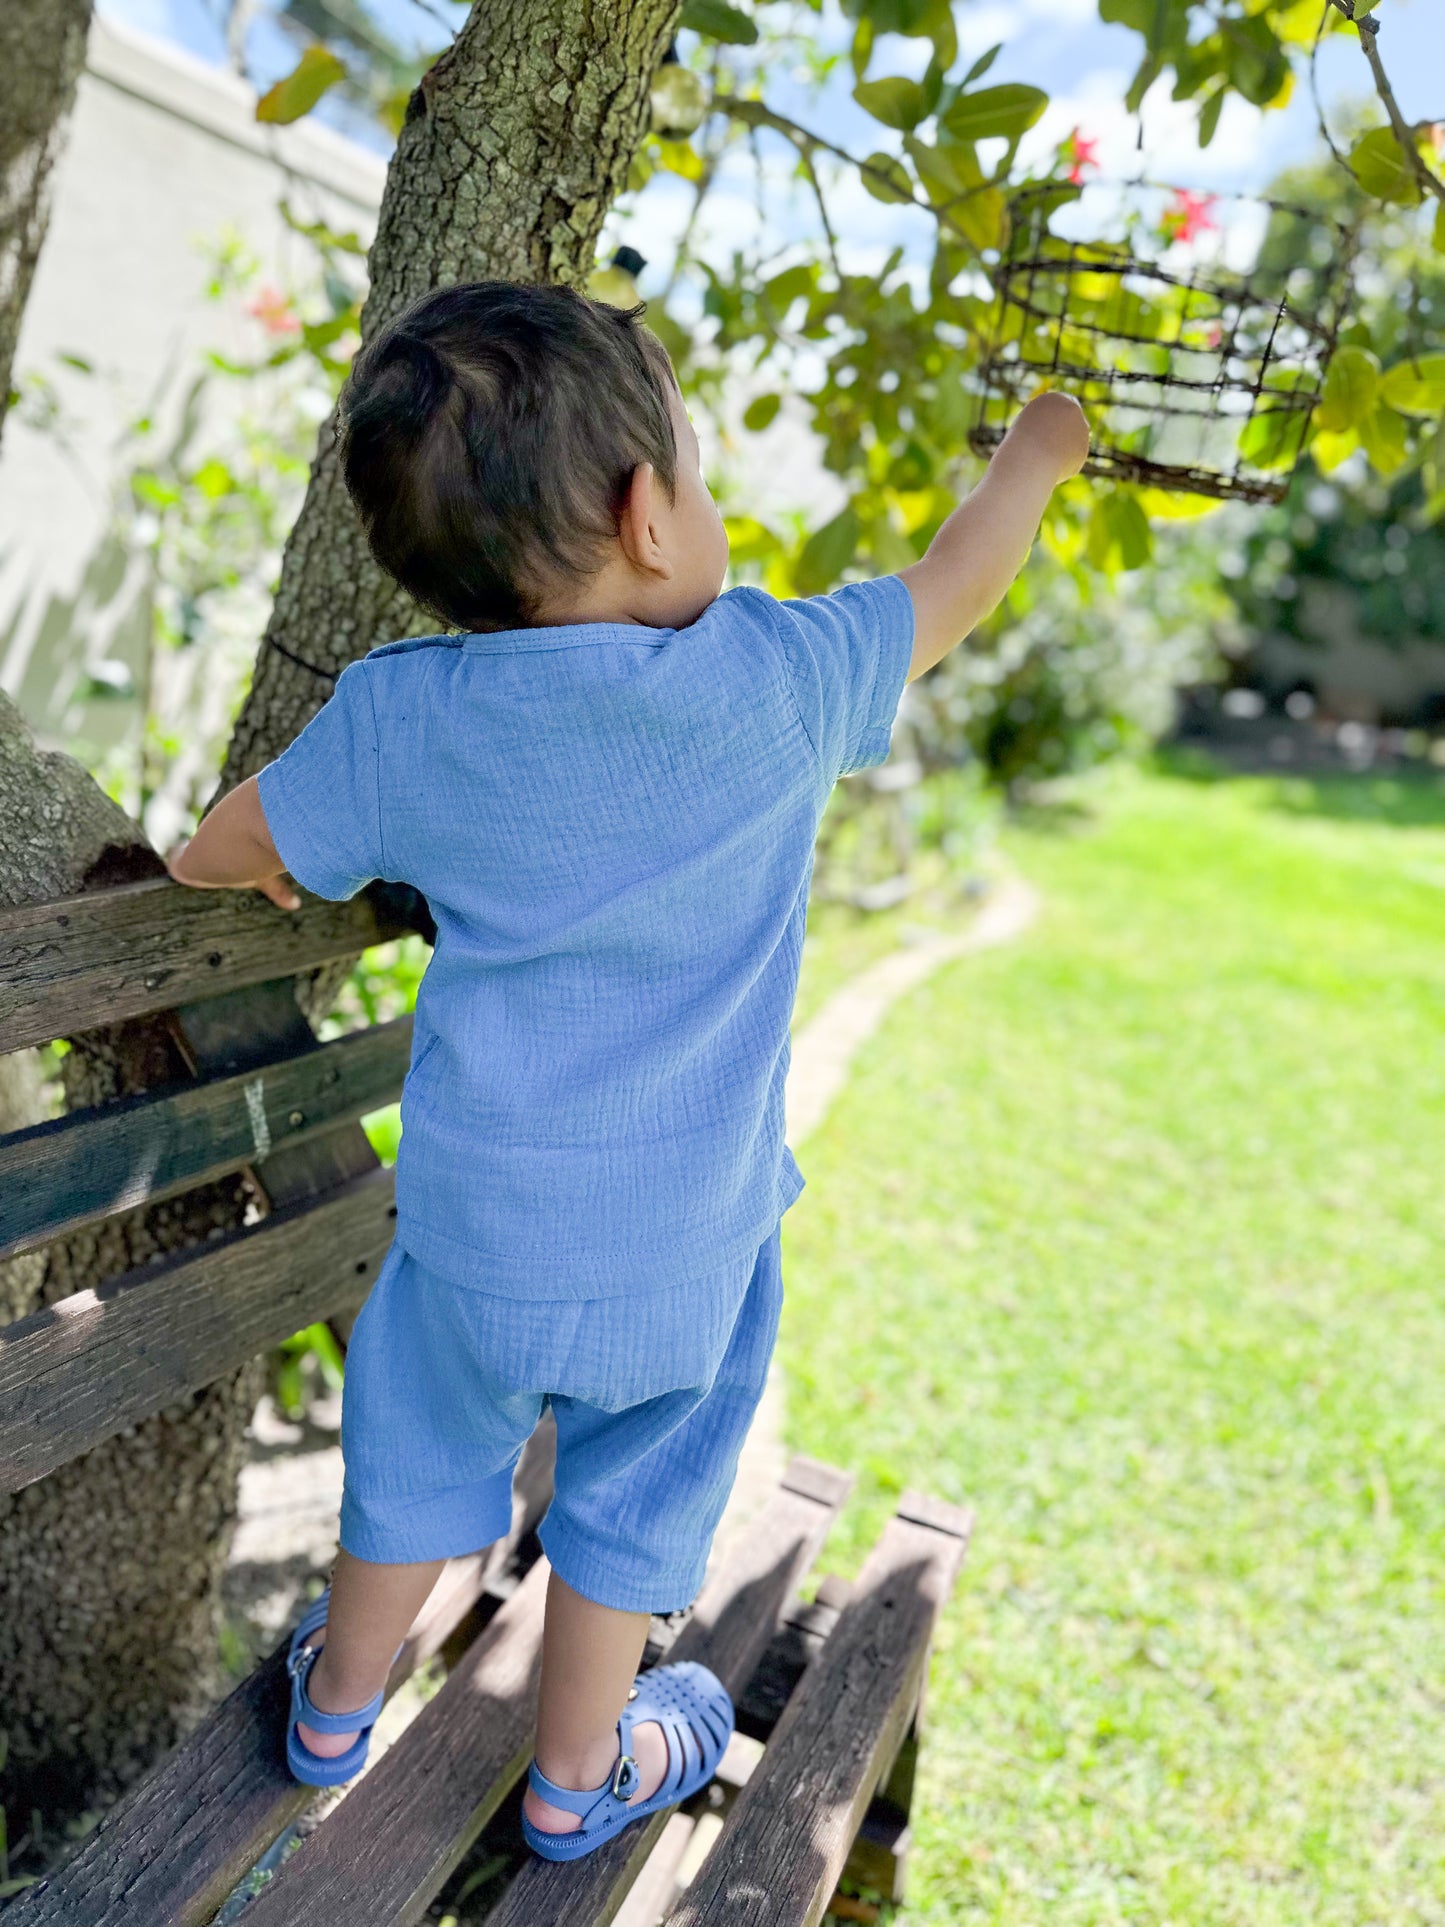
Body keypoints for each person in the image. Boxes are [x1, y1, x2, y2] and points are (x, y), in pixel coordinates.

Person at [168, 281, 1089, 1860]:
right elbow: (951, 590)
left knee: (424, 1436)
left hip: (473, 1236)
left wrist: (244, 865)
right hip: (685, 1246)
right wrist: (1034, 460)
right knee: (634, 1492)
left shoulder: (409, 718)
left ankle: (334, 1700)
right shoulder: (777, 681)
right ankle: (575, 1771)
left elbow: (226, 842)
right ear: (653, 514)